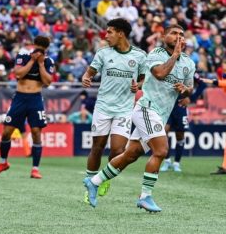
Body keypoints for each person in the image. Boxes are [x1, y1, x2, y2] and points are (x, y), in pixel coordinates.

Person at [83, 24, 195, 212]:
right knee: (161, 151)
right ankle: (145, 197)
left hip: (161, 115)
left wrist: (185, 90)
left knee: (130, 155)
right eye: (173, 33)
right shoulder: (155, 54)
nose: (178, 37)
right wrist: (175, 55)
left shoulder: (189, 63)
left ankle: (94, 181)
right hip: (146, 109)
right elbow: (159, 74)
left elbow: (188, 89)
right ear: (163, 36)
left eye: (181, 34)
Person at [81, 18, 146, 202]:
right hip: (103, 107)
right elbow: (90, 72)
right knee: (97, 148)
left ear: (121, 33)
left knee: (118, 151)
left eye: (109, 32)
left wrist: (139, 85)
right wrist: (86, 78)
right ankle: (90, 183)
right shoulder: (103, 53)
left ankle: (103, 179)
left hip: (124, 109)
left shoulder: (140, 56)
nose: (105, 35)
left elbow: (144, 79)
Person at [0, 35, 54, 179]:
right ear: (33, 45)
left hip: (35, 99)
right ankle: (2, 163)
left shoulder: (48, 61)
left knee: (36, 132)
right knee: (7, 132)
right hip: (20, 97)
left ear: (46, 49)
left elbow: (48, 82)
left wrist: (41, 64)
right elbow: (18, 74)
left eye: (42, 50)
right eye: (38, 48)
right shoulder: (24, 56)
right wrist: (32, 60)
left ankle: (35, 169)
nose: (39, 52)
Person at [160, 73, 207, 172]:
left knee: (180, 136)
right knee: (163, 133)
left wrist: (191, 98)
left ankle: (177, 163)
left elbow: (202, 84)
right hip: (167, 108)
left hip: (180, 108)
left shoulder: (189, 70)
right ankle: (167, 160)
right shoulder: (167, 67)